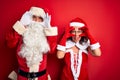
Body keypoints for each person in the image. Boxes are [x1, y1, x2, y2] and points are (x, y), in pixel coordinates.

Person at [6, 6, 57, 80]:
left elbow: (52, 50)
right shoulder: (22, 33)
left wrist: (49, 29)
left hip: (41, 77)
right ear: (29, 19)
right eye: (34, 17)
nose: (36, 21)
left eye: (40, 18)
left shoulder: (46, 37)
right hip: (22, 77)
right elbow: (10, 44)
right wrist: (21, 24)